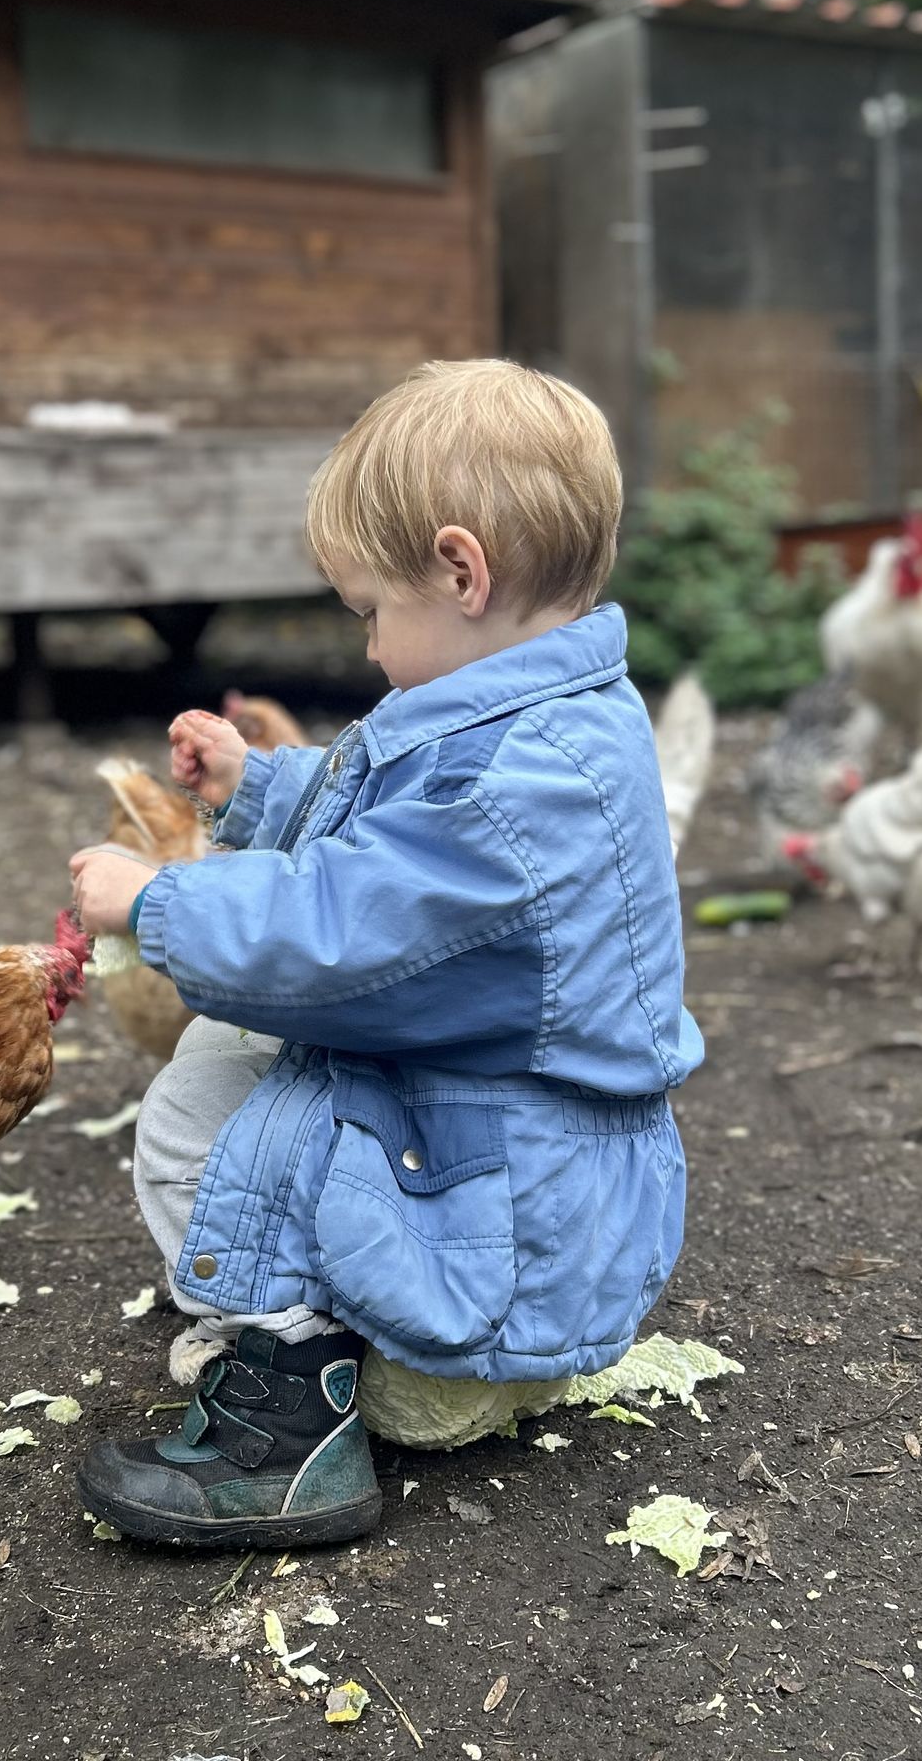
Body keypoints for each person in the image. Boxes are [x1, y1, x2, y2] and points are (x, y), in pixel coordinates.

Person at [67, 359, 702, 1549]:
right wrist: (261, 787)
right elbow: (397, 825)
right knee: (242, 1059)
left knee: (204, 1109)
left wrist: (159, 902)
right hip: (533, 1201)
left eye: (368, 610)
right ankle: (378, 1347)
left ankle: (290, 1422)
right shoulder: (549, 720)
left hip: (500, 1258)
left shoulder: (519, 787)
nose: (364, 649)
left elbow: (338, 933)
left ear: (461, 571)